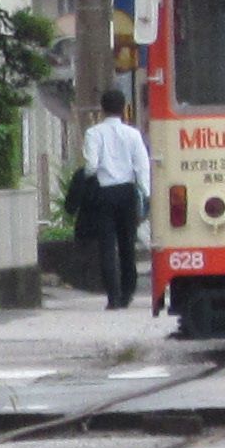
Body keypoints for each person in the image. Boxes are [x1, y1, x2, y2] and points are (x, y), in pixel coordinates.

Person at [75, 87, 149, 311]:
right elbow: (142, 166)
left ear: (102, 108)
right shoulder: (133, 134)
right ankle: (128, 292)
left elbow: (91, 167)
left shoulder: (93, 133)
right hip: (127, 192)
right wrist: (146, 194)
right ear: (123, 107)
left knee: (107, 246)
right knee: (127, 244)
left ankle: (113, 297)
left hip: (104, 193)